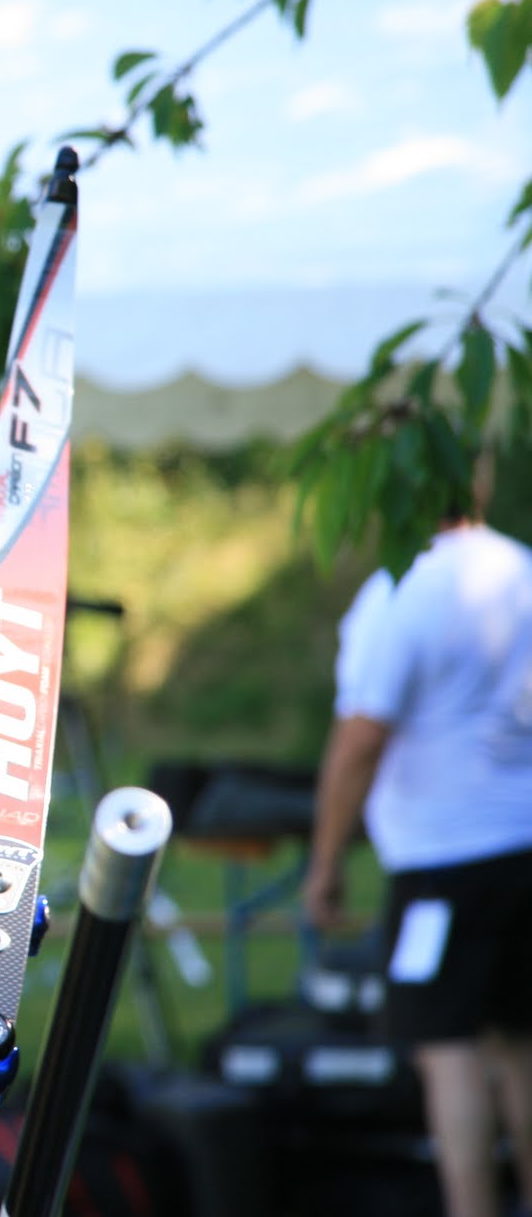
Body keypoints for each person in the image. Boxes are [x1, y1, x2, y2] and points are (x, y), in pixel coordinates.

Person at [303, 468, 532, 1217]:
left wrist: (326, 860)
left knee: (449, 1050)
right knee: (520, 1046)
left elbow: (361, 738)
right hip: (522, 844)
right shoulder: (522, 571)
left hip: (442, 862)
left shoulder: (403, 588)